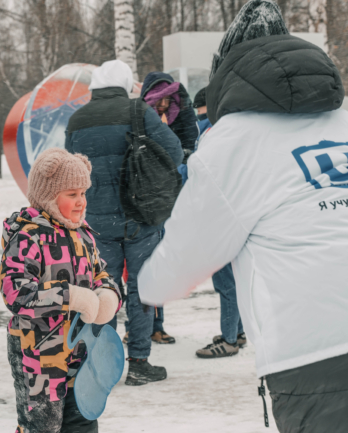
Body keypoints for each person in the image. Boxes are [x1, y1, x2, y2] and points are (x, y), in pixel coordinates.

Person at [138, 1, 348, 432]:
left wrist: (144, 286)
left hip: (322, 346)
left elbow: (184, 259)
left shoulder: (230, 142)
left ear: (228, 73)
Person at [66, 60, 182, 386]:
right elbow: (173, 151)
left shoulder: (76, 119)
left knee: (104, 290)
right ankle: (140, 362)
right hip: (139, 217)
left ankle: (103, 364)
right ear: (124, 82)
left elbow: (70, 174)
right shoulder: (138, 111)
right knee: (142, 289)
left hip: (95, 222)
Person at [1, 148, 121, 433]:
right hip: (39, 357)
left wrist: (107, 293)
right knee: (42, 427)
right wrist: (70, 297)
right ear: (48, 196)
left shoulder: (82, 234)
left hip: (81, 353)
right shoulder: (28, 236)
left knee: (83, 422)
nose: (81, 202)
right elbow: (15, 293)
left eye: (83, 193)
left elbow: (100, 272)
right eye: (72, 194)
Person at [140, 71, 199, 345]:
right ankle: (143, 325)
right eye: (158, 102)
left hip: (173, 197)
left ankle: (156, 325)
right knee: (144, 262)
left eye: (168, 101)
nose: (163, 107)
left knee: (162, 261)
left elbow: (189, 148)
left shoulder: (183, 116)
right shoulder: (139, 118)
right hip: (145, 199)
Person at [190, 86, 247, 359]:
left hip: (218, 216)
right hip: (237, 213)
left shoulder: (207, 131)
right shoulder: (235, 129)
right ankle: (238, 331)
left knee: (225, 281)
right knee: (236, 278)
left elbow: (198, 171)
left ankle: (229, 339)